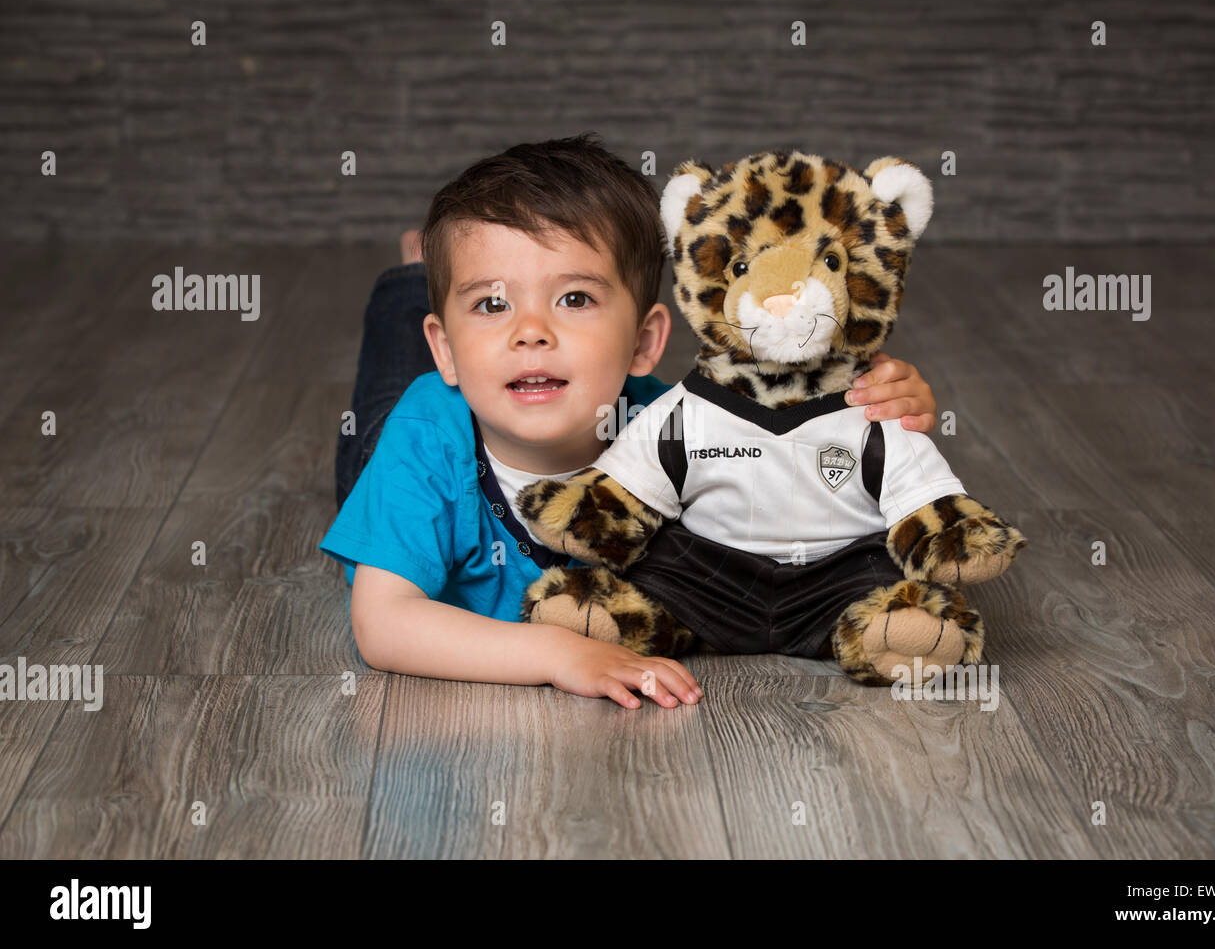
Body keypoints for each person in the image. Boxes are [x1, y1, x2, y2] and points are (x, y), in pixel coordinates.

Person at [320, 134, 938, 710]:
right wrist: (556, 653)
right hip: (408, 438)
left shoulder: (672, 427)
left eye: (574, 298)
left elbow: (794, 460)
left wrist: (877, 409)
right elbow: (384, 625)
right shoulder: (426, 436)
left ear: (644, 343)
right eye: (492, 302)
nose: (530, 331)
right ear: (448, 347)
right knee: (387, 388)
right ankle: (412, 278)